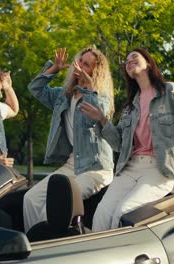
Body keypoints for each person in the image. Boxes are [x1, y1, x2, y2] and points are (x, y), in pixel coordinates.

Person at [79, 48, 174, 231]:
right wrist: (102, 119)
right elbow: (119, 143)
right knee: (102, 211)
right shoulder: (130, 107)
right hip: (130, 168)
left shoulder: (169, 91)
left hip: (159, 169)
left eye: (134, 57)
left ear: (148, 63)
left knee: (123, 212)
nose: (129, 61)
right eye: (126, 61)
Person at [23, 47, 115, 232]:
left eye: (86, 64)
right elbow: (35, 88)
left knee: (56, 204)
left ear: (94, 72)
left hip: (96, 169)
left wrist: (90, 88)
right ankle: (33, 246)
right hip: (73, 164)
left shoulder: (100, 96)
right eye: (80, 61)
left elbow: (100, 115)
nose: (79, 66)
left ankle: (50, 248)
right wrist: (53, 69)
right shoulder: (63, 96)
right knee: (31, 198)